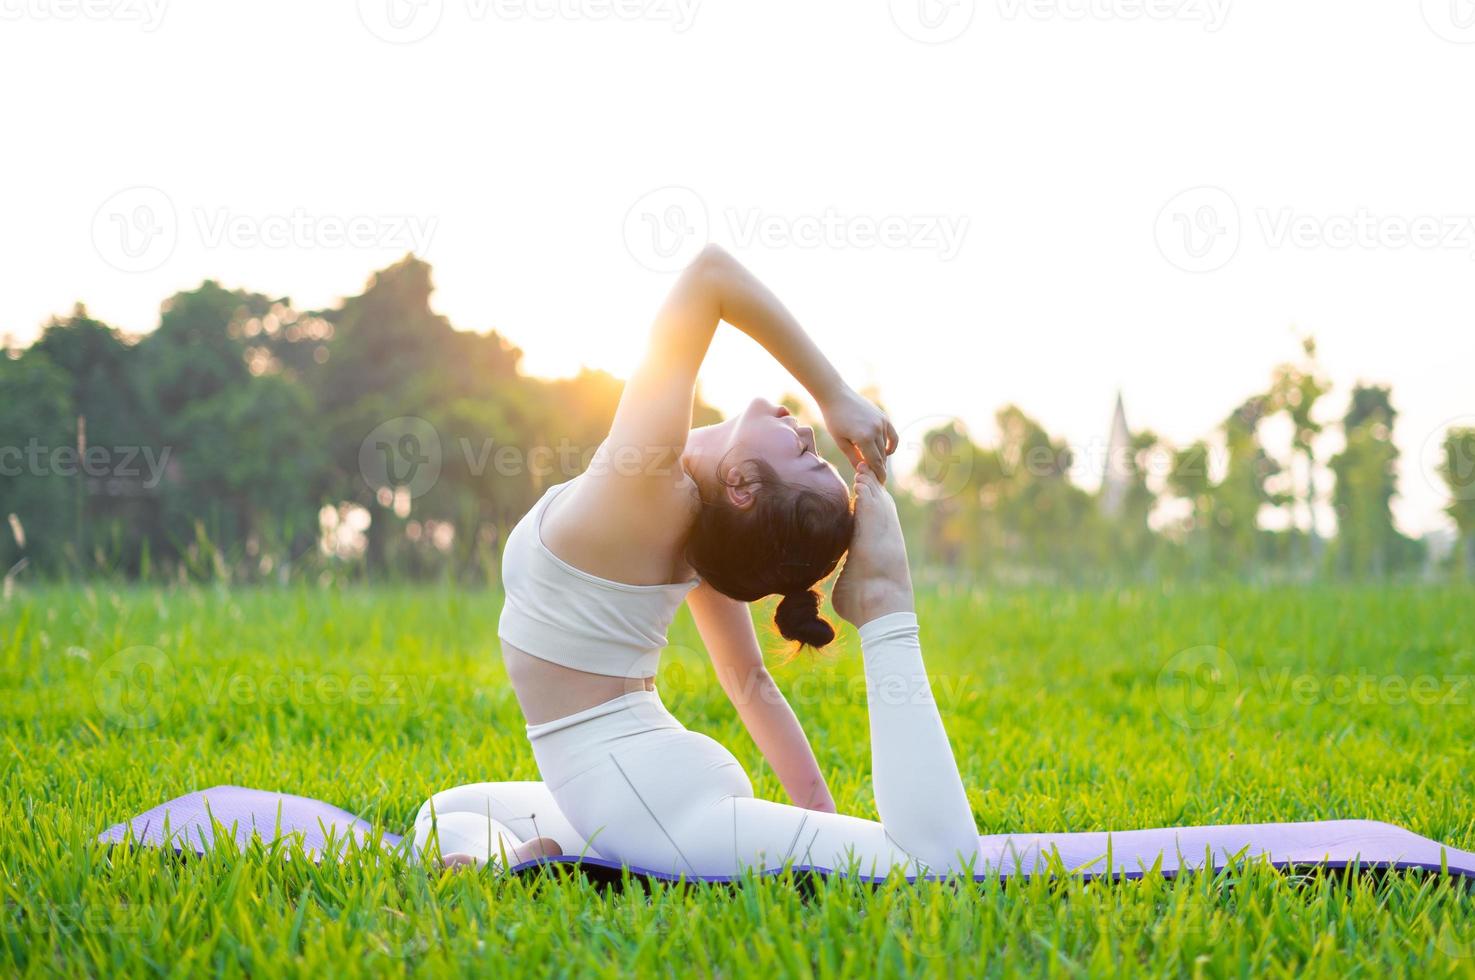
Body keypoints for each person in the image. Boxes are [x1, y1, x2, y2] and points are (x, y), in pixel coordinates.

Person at [416, 246, 977, 876]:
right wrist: (816, 811)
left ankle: (884, 603)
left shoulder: (646, 478)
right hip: (628, 784)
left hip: (638, 792)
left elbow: (708, 276)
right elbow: (750, 684)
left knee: (935, 863)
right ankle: (519, 861)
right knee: (445, 812)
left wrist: (834, 393)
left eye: (803, 456)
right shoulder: (695, 536)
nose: (810, 434)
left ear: (743, 485)